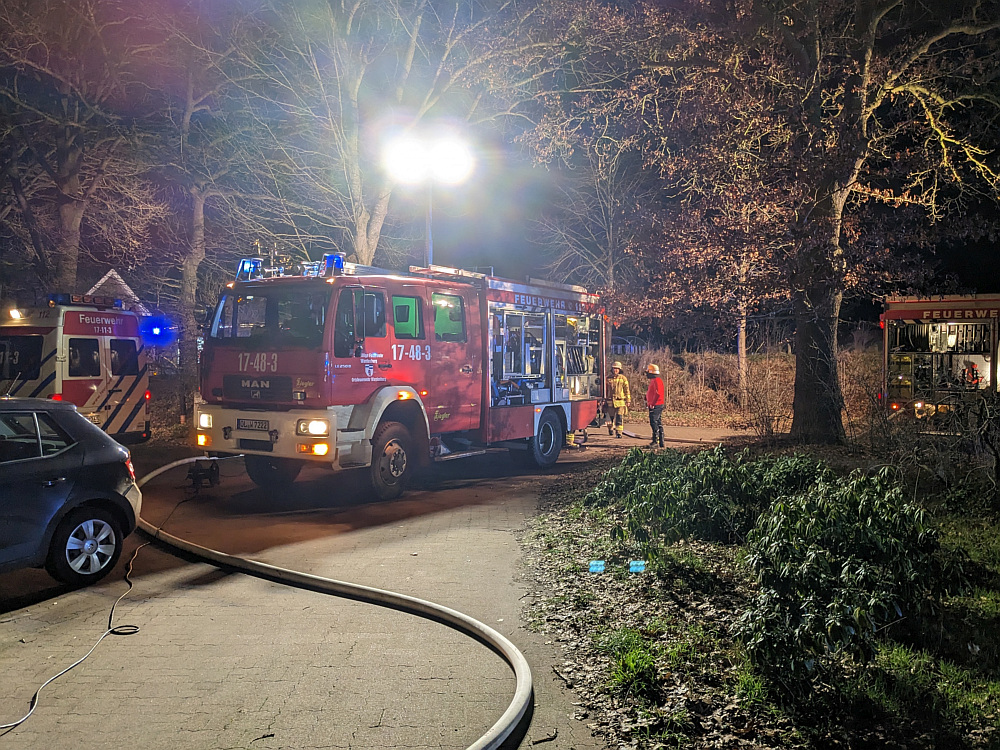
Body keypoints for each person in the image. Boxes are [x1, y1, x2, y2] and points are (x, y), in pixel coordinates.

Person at [605, 361, 631, 438]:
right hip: (610, 401)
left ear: (620, 370)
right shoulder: (608, 379)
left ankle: (619, 433)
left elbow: (627, 390)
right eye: (614, 368)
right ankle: (610, 429)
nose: (615, 370)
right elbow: (605, 390)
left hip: (620, 401)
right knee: (610, 418)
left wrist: (628, 400)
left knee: (619, 417)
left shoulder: (623, 379)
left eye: (617, 369)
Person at [645, 363, 665, 448]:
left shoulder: (656, 381)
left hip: (656, 405)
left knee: (654, 422)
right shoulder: (655, 381)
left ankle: (655, 441)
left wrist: (652, 403)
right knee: (658, 422)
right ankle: (661, 441)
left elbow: (657, 394)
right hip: (656, 404)